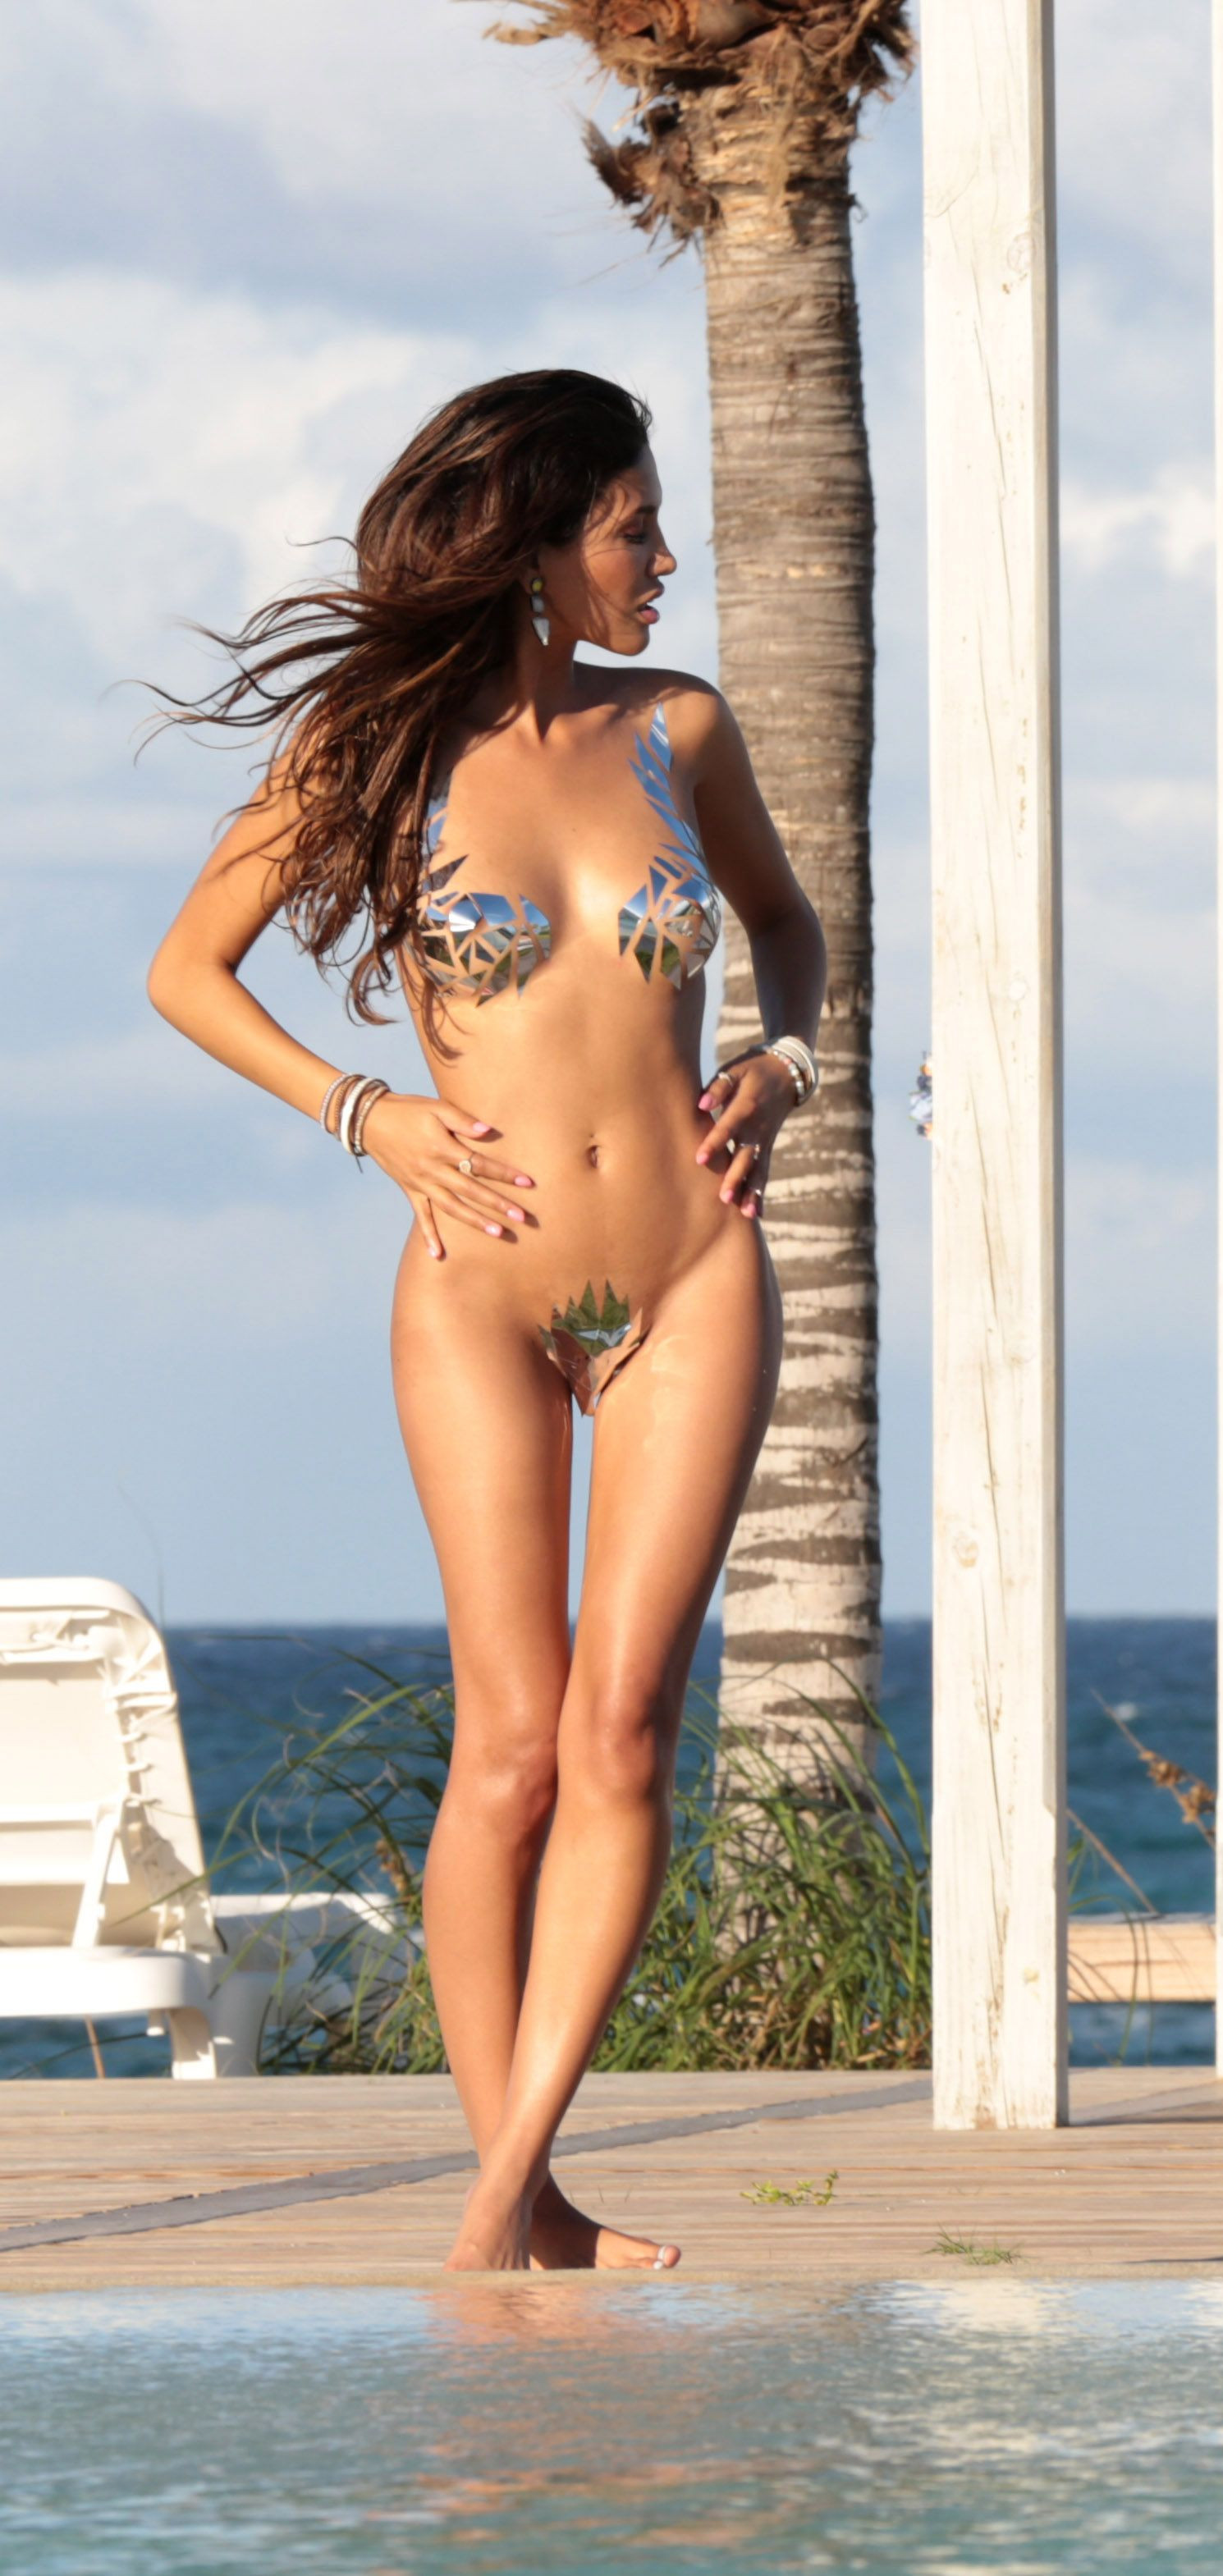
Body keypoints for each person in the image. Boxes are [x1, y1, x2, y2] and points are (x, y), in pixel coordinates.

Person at [148, 372, 825, 2270]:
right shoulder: (376, 746)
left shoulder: (678, 729)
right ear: (536, 543)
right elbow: (188, 970)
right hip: (479, 1286)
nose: (666, 557)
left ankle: (496, 2201)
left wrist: (783, 1063)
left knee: (627, 1732)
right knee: (513, 1749)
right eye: (633, 526)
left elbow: (788, 928)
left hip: (692, 1269)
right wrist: (364, 1115)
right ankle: (524, 2201)